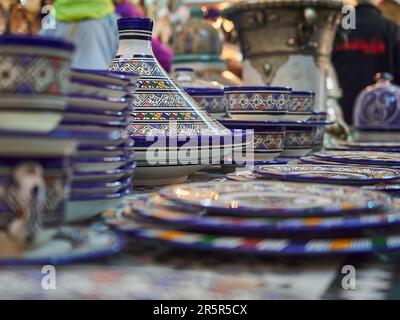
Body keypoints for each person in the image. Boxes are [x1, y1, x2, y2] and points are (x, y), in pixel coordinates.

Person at [332, 0, 400, 125]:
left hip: (340, 117)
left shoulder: (344, 25)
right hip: (380, 119)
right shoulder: (391, 29)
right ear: (381, 3)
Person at [40, 0, 119, 70]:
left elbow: (38, 53)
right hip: (99, 82)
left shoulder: (53, 18)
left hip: (61, 83)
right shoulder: (112, 20)